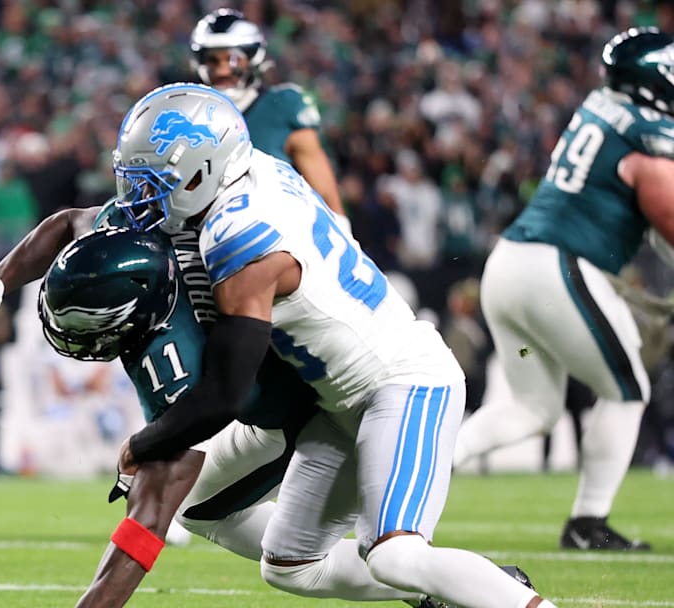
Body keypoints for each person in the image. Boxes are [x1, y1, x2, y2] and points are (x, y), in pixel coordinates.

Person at [102, 82, 551, 607]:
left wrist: (140, 445)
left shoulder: (237, 236)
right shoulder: (256, 170)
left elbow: (225, 394)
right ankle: (473, 590)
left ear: (202, 172)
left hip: (403, 382)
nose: (142, 200)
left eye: (156, 184)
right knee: (291, 566)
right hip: (341, 402)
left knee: (395, 555)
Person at [453, 27, 674, 551]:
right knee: (628, 389)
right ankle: (588, 523)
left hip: (510, 268)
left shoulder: (602, 106)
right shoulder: (646, 133)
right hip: (553, 270)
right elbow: (665, 212)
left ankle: (415, 466)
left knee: (533, 408)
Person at [189, 9, 347, 229]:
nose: (222, 70)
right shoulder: (193, 116)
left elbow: (323, 187)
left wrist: (340, 226)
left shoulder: (282, 105)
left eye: (232, 59)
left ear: (252, 58)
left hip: (280, 235)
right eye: (213, 60)